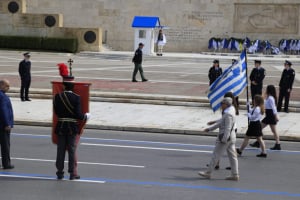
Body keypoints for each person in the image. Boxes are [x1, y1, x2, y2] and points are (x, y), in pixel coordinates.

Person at [53, 81, 90, 180]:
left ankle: (59, 172)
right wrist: (85, 116)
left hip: (61, 126)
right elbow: (78, 115)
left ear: (64, 86)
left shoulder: (57, 97)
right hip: (72, 127)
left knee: (60, 150)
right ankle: (72, 173)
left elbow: (56, 112)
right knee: (72, 150)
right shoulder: (76, 97)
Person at [199, 97, 239, 181]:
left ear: (226, 104)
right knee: (232, 156)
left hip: (226, 137)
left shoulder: (228, 114)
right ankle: (235, 174)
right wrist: (210, 129)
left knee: (216, 154)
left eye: (222, 104)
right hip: (231, 137)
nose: (221, 105)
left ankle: (208, 172)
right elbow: (221, 122)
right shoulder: (231, 110)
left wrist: (224, 139)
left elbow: (227, 127)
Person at [250, 85, 281, 150]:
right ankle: (259, 142)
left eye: (266, 89)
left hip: (271, 115)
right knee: (269, 130)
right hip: (269, 115)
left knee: (262, 128)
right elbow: (261, 99)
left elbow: (274, 108)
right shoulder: (268, 97)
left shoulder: (270, 98)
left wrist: (276, 116)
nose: (265, 90)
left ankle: (277, 144)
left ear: (269, 90)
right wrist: (264, 94)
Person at [0, 79, 14, 169]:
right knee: (5, 146)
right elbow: (4, 110)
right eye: (6, 86)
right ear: (1, 85)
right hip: (3, 126)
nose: (8, 88)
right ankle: (6, 163)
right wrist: (7, 124)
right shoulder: (3, 97)